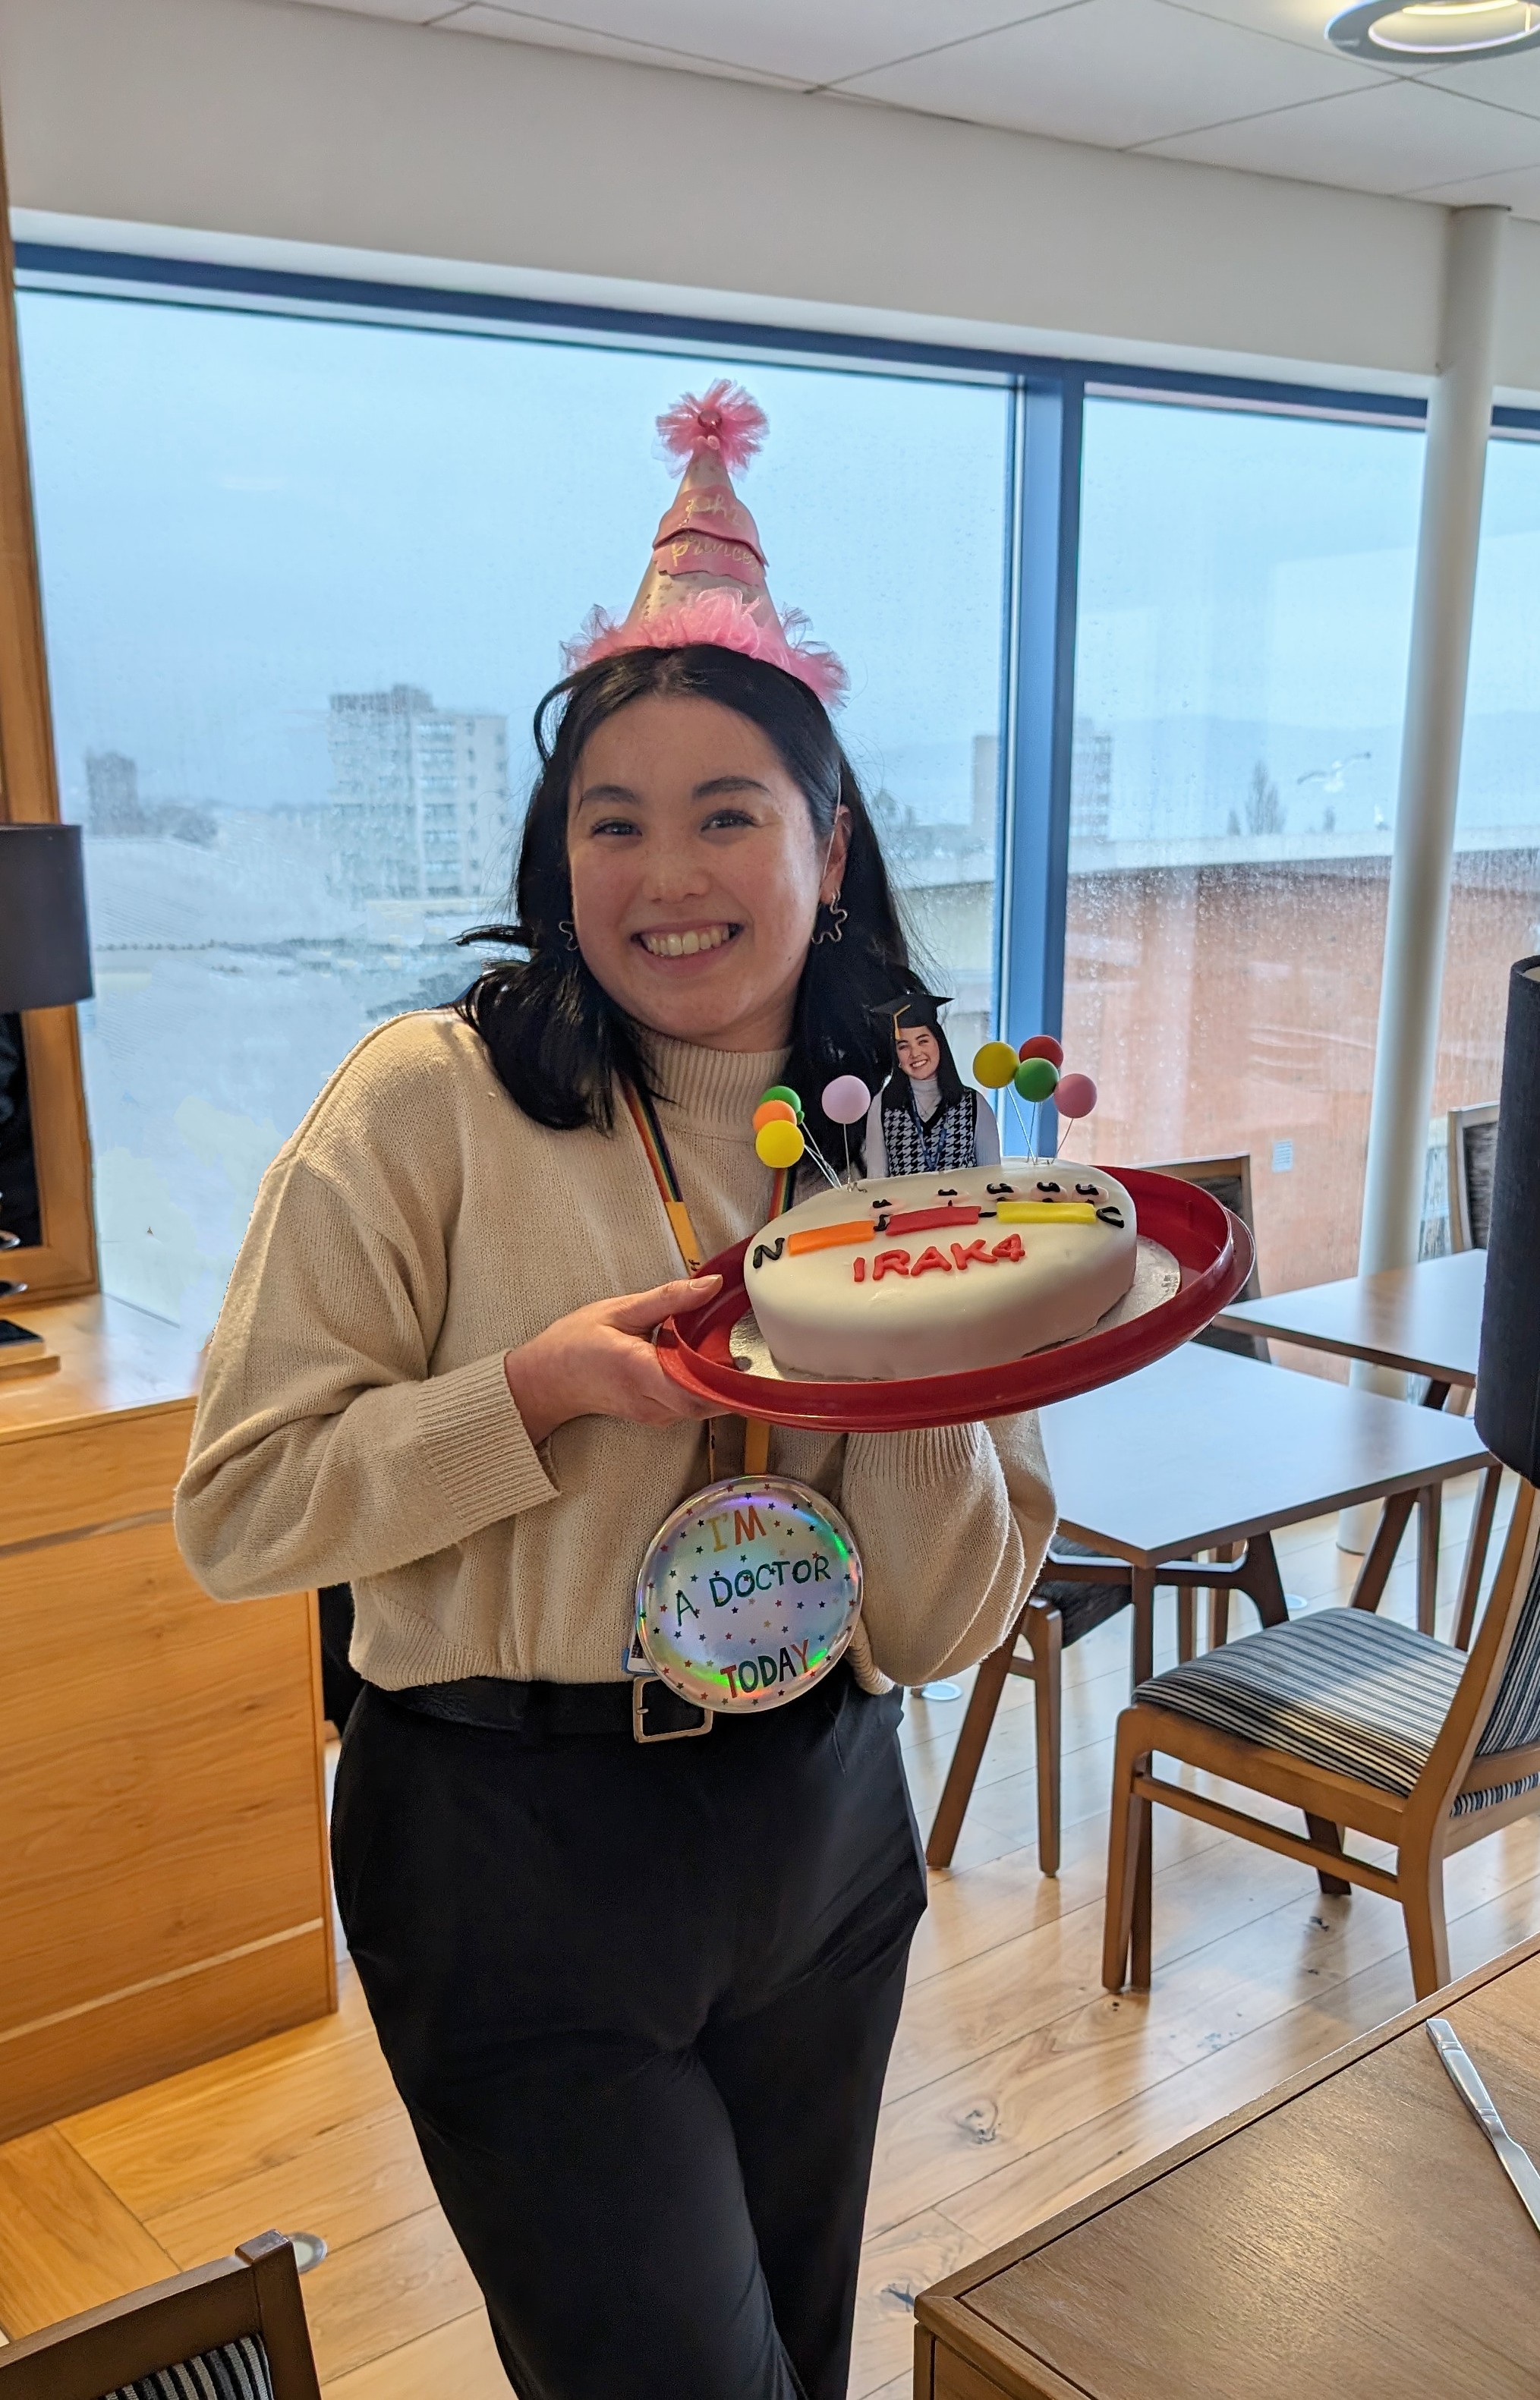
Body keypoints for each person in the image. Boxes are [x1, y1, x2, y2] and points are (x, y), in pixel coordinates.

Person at [175, 386, 1053, 2400]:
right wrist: (537, 1395)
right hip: (507, 1836)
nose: (668, 872)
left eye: (726, 811)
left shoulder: (909, 1139)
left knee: (798, 2359)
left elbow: (937, 1617)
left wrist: (908, 1368)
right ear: (552, 849)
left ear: (825, 852)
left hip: (822, 1820)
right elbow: (239, 1509)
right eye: (612, 819)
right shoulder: (429, 1108)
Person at [864, 988, 1001, 1178]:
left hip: (963, 1206)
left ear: (939, 1043)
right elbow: (876, 1181)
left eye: (923, 1041)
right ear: (897, 1055)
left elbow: (991, 1179)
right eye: (903, 1046)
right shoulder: (883, 1105)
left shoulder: (974, 1104)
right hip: (904, 1207)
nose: (915, 1053)